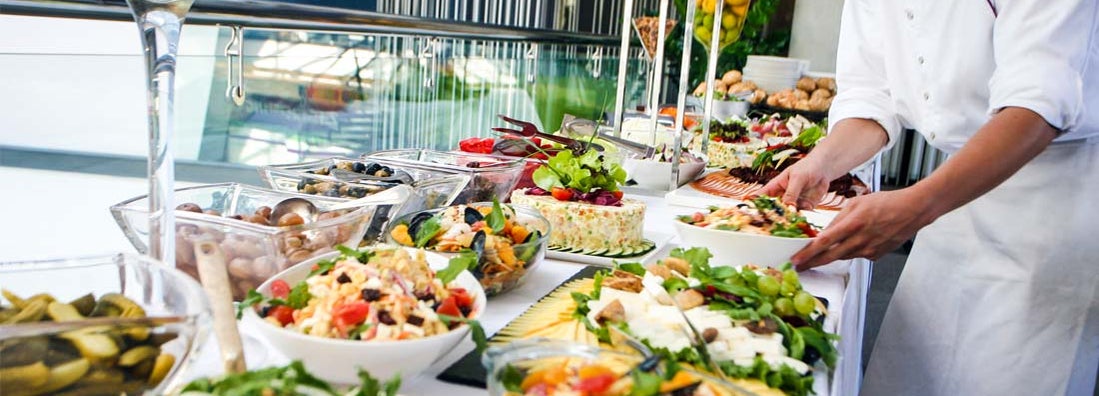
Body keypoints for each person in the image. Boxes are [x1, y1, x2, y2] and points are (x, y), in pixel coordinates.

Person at [758, 0, 1099, 394]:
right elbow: (872, 96)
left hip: (1056, 204)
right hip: (955, 198)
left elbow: (1036, 105)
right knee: (913, 372)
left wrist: (918, 206)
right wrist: (820, 163)